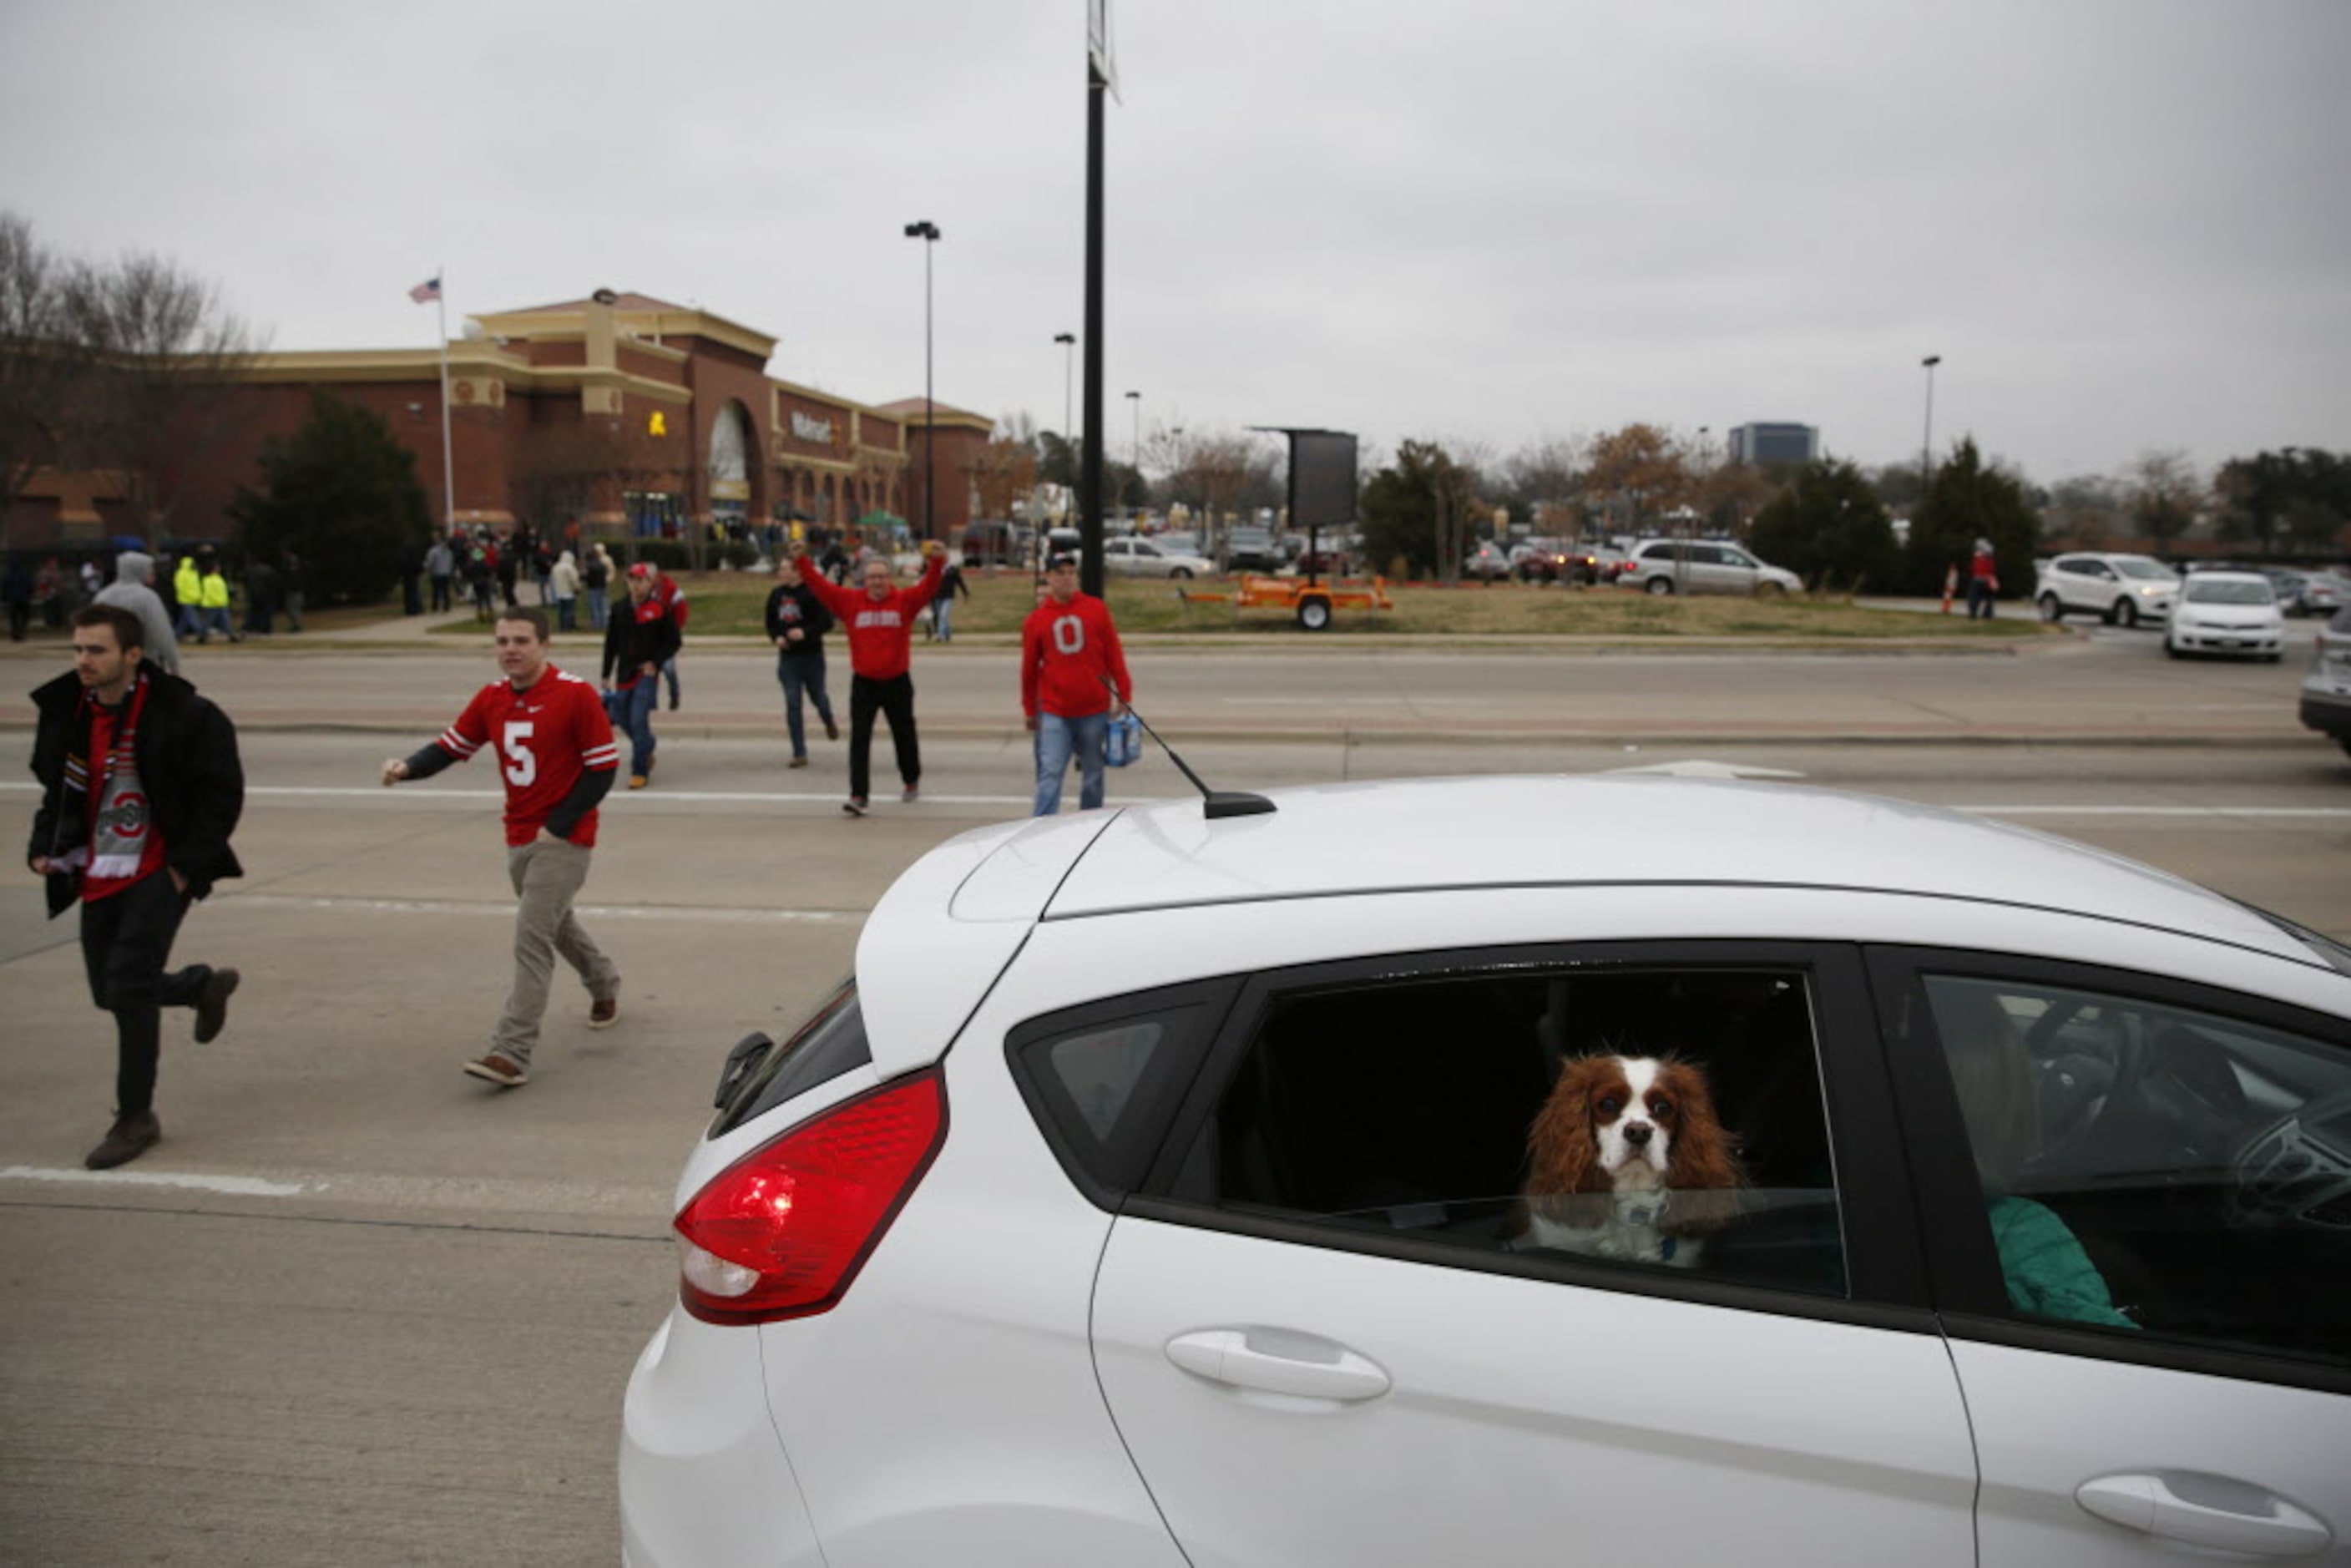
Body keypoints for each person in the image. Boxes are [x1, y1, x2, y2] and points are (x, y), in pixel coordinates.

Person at [28, 604, 245, 1169]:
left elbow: (221, 796)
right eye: (77, 648)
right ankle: (198, 986)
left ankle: (135, 1117)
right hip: (96, 870)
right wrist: (44, 846)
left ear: (131, 655)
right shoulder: (68, 714)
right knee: (108, 990)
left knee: (127, 989)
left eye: (95, 650)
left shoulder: (185, 715)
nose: (83, 661)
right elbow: (57, 794)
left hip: (156, 870)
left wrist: (184, 868)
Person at [381, 608, 623, 1088]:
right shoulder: (491, 699)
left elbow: (602, 768)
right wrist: (407, 768)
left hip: (564, 840)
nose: (510, 649)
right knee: (556, 925)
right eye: (502, 641)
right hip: (517, 835)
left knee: (530, 936)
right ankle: (603, 981)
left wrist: (559, 825)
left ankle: (511, 1051)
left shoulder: (575, 695)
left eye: (521, 640)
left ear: (544, 645)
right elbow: (452, 747)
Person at [793, 540, 946, 816]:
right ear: (863, 579)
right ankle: (859, 794)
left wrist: (937, 562)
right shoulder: (850, 602)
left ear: (890, 579)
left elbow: (929, 589)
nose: (877, 582)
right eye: (872, 577)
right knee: (860, 739)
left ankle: (911, 780)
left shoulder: (904, 602)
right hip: (864, 683)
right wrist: (802, 560)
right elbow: (821, 587)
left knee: (904, 734)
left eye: (882, 576)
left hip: (897, 681)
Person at [1021, 552, 1135, 816]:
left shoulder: (1095, 609)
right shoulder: (1037, 620)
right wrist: (1029, 709)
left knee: (1093, 774)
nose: (1067, 578)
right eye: (1060, 573)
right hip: (1055, 710)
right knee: (1050, 771)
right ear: (1048, 578)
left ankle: (1089, 824)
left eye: (1071, 572)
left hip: (1093, 708)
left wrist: (1124, 692)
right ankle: (1041, 827)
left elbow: (1113, 653)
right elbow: (1028, 670)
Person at [599, 563, 680, 789]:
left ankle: (639, 770)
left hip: (646, 675)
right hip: (624, 672)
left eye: (640, 580)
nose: (636, 585)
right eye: (632, 580)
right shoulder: (619, 608)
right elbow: (611, 643)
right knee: (620, 715)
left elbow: (673, 641)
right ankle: (647, 746)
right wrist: (606, 673)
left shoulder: (658, 609)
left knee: (638, 718)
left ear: (649, 582)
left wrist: (655, 662)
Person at [763, 554, 839, 769]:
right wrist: (776, 637)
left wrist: (805, 633)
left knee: (819, 698)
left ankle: (828, 720)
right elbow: (770, 623)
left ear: (796, 571)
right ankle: (799, 752)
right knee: (793, 703)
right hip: (788, 659)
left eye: (785, 568)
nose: (781, 572)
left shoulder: (812, 593)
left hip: (812, 656)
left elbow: (826, 622)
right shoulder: (777, 595)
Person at [93, 551, 181, 676]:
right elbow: (162, 632)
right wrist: (173, 665)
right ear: (140, 571)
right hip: (144, 661)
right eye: (149, 569)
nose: (152, 573)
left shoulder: (102, 596)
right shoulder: (147, 597)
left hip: (110, 662)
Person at [651, 564, 689, 710]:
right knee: (650, 673)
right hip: (650, 637)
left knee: (669, 670)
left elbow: (681, 610)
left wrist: (674, 629)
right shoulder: (645, 590)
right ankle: (650, 702)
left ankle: (675, 696)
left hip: (666, 638)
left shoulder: (671, 589)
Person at [192, 549, 238, 644]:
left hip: (220, 603)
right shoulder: (208, 580)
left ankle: (231, 635)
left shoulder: (218, 579)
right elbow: (209, 593)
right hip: (212, 604)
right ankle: (202, 636)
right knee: (207, 622)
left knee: (226, 621)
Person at [930, 555, 971, 642]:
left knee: (943, 615)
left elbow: (960, 582)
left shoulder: (953, 570)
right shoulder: (935, 570)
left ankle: (940, 636)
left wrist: (965, 593)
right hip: (937, 596)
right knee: (941, 616)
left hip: (948, 597)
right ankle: (948, 633)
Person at [242, 554, 278, 638]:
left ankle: (253, 626)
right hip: (266, 595)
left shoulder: (249, 570)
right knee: (266, 612)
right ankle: (265, 628)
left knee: (254, 611)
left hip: (254, 594)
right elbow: (274, 582)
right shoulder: (268, 570)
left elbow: (246, 582)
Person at [173, 552, 205, 640]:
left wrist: (199, 596)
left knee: (185, 619)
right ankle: (201, 633)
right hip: (186, 599)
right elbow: (180, 587)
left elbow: (197, 586)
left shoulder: (194, 573)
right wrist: (192, 596)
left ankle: (177, 634)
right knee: (192, 618)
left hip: (193, 599)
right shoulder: (181, 573)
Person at [1968, 539, 2000, 621]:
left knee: (1974, 597)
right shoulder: (1989, 557)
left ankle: (1973, 613)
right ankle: (1987, 614)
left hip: (1977, 579)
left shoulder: (1977, 557)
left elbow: (1973, 568)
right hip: (1988, 579)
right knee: (1989, 598)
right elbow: (1992, 569)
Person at [550, 549, 582, 632]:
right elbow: (574, 580)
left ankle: (562, 625)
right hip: (568, 592)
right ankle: (568, 626)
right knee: (569, 610)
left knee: (561, 611)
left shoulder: (556, 567)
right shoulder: (570, 568)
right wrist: (577, 588)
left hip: (559, 592)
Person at [584, 542, 613, 631]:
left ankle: (597, 623)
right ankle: (603, 622)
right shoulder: (601, 564)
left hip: (594, 587)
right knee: (603, 605)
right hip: (602, 586)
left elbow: (589, 577)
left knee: (596, 606)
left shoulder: (592, 565)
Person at [426, 534, 456, 613]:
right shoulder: (449, 552)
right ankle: (446, 606)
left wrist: (429, 570)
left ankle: (435, 606)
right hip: (446, 573)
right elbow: (451, 563)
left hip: (437, 574)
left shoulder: (433, 551)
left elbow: (430, 563)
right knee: (445, 591)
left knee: (436, 591)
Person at [281, 549, 307, 632]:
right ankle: (295, 624)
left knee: (293, 609)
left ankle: (295, 625)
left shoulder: (290, 571)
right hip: (297, 591)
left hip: (293, 592)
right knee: (294, 609)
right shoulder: (299, 570)